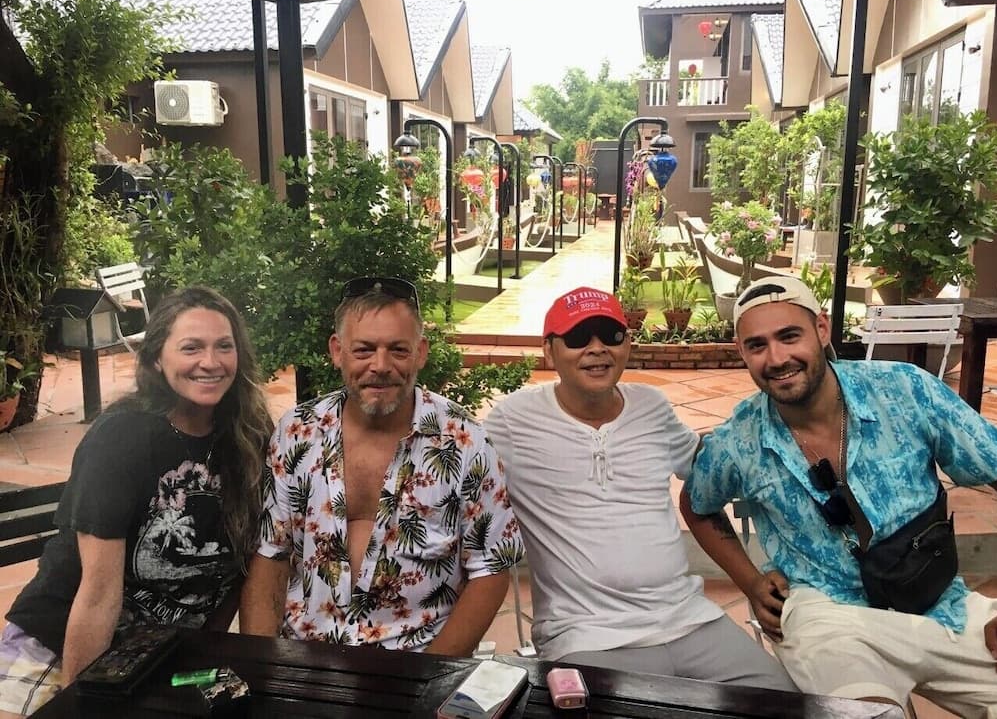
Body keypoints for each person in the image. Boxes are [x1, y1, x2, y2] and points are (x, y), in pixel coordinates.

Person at [682, 275, 997, 716]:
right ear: (742, 352)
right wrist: (750, 582)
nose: (777, 358)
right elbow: (697, 505)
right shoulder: (738, 443)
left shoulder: (904, 391)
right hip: (827, 614)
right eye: (757, 345)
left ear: (822, 328)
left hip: (939, 600)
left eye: (789, 336)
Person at [483, 286, 796, 690]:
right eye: (578, 337)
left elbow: (709, 468)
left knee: (784, 701)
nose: (597, 349)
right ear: (549, 351)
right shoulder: (513, 420)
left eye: (610, 335)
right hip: (586, 634)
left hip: (689, 619)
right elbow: (460, 480)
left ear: (628, 344)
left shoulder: (652, 407)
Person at [0, 286, 274, 718]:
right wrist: (83, 707)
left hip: (160, 658)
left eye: (225, 346)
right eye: (191, 347)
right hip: (59, 642)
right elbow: (97, 595)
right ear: (156, 359)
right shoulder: (121, 438)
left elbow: (232, 576)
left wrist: (203, 652)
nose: (211, 361)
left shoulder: (250, 441)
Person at [239, 277, 523, 656]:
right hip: (306, 655)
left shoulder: (464, 441)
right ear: (337, 351)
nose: (381, 365)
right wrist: (260, 667)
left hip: (418, 657)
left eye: (398, 350)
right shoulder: (297, 433)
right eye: (364, 350)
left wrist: (427, 677)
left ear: (420, 353)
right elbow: (272, 554)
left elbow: (489, 569)